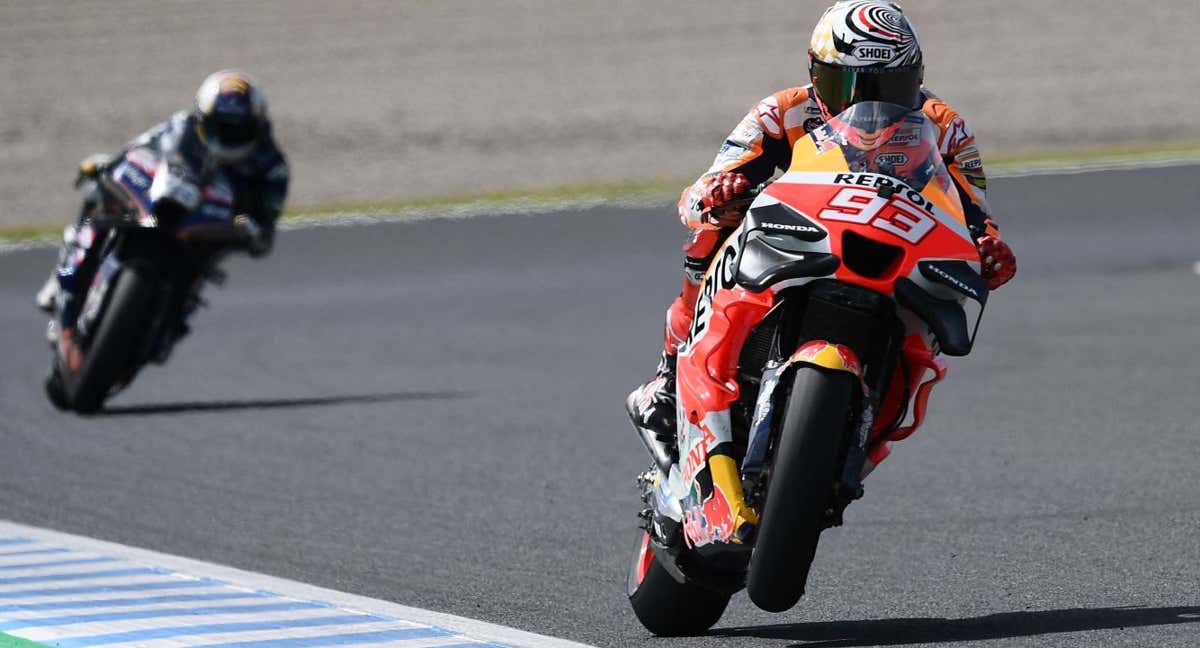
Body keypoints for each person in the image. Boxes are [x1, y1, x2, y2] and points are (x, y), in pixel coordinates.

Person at [626, 1, 1016, 458]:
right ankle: (670, 378)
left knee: (938, 309)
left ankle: (876, 413)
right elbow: (698, 194)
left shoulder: (945, 128)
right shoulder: (782, 113)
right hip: (797, 238)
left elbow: (973, 213)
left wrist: (987, 247)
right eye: (846, 85)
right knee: (711, 234)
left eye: (888, 87)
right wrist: (718, 195)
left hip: (893, 249)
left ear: (916, 79)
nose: (866, 103)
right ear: (816, 76)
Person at [36, 70, 289, 366]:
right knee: (98, 192)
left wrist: (252, 230)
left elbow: (266, 225)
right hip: (159, 206)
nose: (229, 137)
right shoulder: (182, 127)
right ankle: (65, 274)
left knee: (198, 274)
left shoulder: (271, 166)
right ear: (203, 119)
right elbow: (137, 150)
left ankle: (169, 321)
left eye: (238, 130)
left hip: (206, 230)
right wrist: (110, 168)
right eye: (221, 127)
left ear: (256, 126)